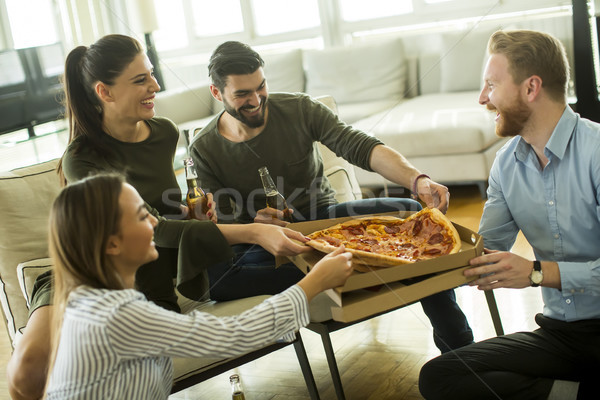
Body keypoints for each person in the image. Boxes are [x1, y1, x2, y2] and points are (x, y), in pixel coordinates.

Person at [7, 34, 312, 400]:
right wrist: (253, 232)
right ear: (105, 92)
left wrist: (192, 212)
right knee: (28, 369)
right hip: (82, 275)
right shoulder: (82, 159)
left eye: (151, 74)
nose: (155, 86)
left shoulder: (163, 132)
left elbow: (160, 215)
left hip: (148, 270)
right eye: (140, 80)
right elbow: (153, 226)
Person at [189, 40, 474, 354]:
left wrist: (417, 179)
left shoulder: (299, 108)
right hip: (266, 244)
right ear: (217, 93)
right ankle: (373, 269)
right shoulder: (204, 149)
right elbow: (227, 225)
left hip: (323, 217)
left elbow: (359, 146)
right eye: (242, 94)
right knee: (220, 276)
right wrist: (255, 224)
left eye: (261, 87)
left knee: (410, 214)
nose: (256, 100)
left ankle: (460, 349)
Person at [43, 173, 353, 398]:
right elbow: (234, 336)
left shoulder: (91, 301)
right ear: (111, 243)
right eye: (142, 217)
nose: (155, 223)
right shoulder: (116, 315)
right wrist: (315, 281)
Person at [419, 29, 600, 399]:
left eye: (491, 84)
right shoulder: (506, 164)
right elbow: (483, 255)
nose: (483, 98)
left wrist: (535, 272)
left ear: (531, 88)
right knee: (439, 377)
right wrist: (436, 231)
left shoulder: (597, 152)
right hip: (560, 335)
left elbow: (531, 273)